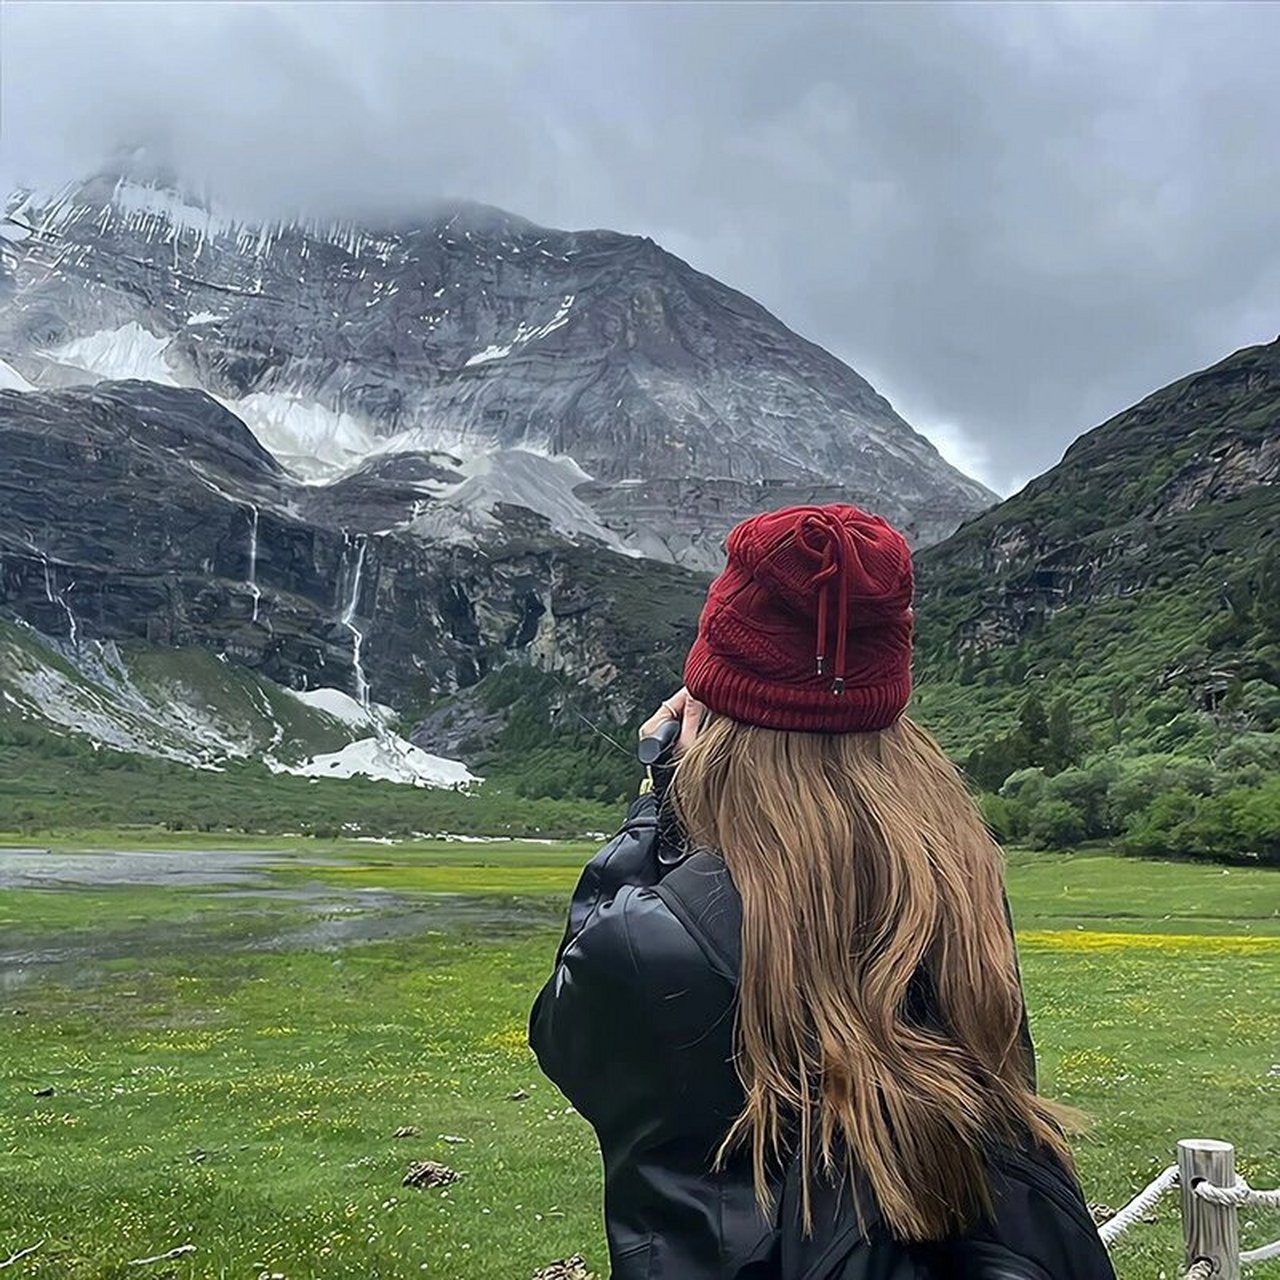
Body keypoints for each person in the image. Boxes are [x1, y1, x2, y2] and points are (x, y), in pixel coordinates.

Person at [529, 505, 1113, 1279]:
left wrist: (657, 801)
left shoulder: (653, 938)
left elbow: (565, 1033)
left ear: (704, 717)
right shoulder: (961, 880)